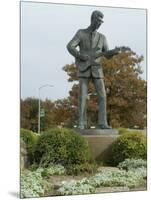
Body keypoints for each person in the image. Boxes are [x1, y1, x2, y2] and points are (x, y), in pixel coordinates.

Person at [67, 10, 114, 129]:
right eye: (98, 21)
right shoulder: (81, 33)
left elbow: (106, 54)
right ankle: (81, 123)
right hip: (84, 68)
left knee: (102, 95)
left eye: (101, 22)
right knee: (82, 96)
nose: (99, 24)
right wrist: (80, 56)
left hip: (97, 70)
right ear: (92, 19)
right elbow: (70, 46)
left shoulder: (102, 37)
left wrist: (113, 52)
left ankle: (102, 123)